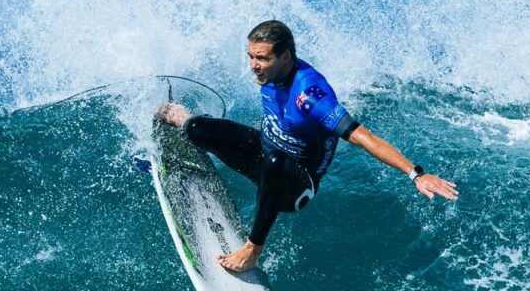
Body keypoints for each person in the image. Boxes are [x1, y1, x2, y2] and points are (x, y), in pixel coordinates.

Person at [157, 20, 458, 272]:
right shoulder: (270, 75)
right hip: (264, 152)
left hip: (294, 184)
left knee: (274, 163)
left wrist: (415, 173)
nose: (253, 66)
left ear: (285, 57)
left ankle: (252, 251)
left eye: (261, 59)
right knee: (196, 127)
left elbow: (363, 136)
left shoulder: (310, 96)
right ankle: (186, 124)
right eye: (250, 56)